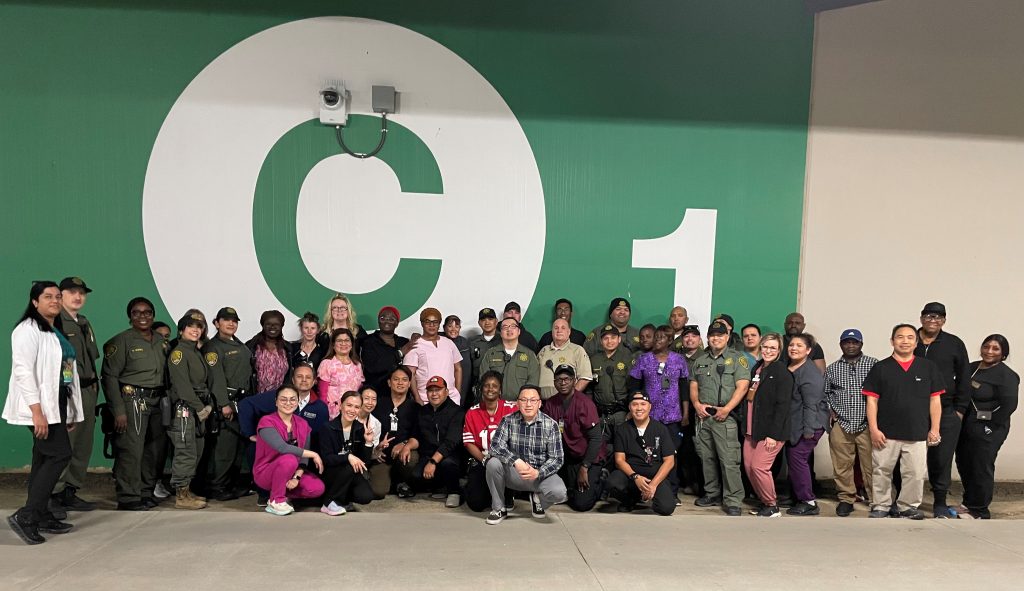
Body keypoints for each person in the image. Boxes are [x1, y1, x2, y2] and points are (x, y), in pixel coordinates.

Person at [4, 281, 84, 545]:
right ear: (35, 302)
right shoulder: (27, 329)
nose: (54, 300)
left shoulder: (54, 330)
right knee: (60, 454)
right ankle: (26, 516)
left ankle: (41, 512)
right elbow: (23, 371)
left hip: (57, 402)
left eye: (57, 296)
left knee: (42, 458)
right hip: (38, 405)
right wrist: (37, 412)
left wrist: (69, 411)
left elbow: (65, 372)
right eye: (47, 296)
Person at [864, 324, 944, 520]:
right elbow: (871, 401)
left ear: (916, 342)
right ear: (892, 341)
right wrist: (873, 429)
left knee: (915, 473)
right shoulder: (880, 368)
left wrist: (935, 429)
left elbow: (935, 400)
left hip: (917, 431)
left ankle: (907, 506)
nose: (905, 341)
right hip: (885, 432)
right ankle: (881, 505)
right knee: (881, 471)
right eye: (900, 337)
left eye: (910, 337)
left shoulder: (928, 367)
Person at [101, 296, 169, 511]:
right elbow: (109, 377)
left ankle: (145, 492)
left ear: (153, 315)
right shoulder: (120, 341)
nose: (143, 316)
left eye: (147, 312)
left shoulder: (161, 341)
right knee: (131, 450)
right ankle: (129, 496)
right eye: (137, 313)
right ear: (130, 317)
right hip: (133, 400)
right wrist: (118, 410)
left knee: (154, 450)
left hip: (158, 400)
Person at [689, 320, 751, 515]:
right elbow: (693, 385)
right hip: (703, 417)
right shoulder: (700, 359)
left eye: (720, 335)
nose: (716, 338)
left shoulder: (737, 358)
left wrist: (727, 409)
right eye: (713, 335)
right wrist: (697, 405)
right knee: (706, 458)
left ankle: (733, 500)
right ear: (708, 337)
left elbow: (742, 386)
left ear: (727, 337)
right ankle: (712, 493)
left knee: (728, 460)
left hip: (725, 416)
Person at [915, 302, 970, 518]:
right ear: (921, 318)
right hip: (914, 410)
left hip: (947, 410)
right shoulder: (910, 339)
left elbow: (964, 377)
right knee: (909, 456)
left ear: (944, 320)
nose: (933, 320)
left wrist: (959, 410)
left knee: (941, 458)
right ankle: (904, 499)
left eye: (938, 317)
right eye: (928, 315)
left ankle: (939, 502)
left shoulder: (954, 343)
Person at [49, 277, 99, 515]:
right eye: (72, 292)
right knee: (66, 444)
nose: (78, 297)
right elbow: (64, 362)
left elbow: (91, 359)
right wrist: (68, 392)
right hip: (71, 390)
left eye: (81, 293)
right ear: (61, 295)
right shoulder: (56, 322)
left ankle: (70, 491)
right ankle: (53, 494)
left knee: (83, 445)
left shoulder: (84, 323)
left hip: (88, 389)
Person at [484, 385, 566, 525]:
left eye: (533, 400)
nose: (528, 404)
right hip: (515, 473)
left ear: (539, 403)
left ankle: (538, 500)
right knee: (493, 463)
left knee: (559, 492)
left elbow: (557, 459)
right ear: (517, 403)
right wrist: (516, 461)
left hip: (539, 476)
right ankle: (499, 508)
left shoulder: (550, 425)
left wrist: (538, 473)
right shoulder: (508, 420)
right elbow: (495, 446)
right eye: (524, 400)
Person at [956, 335, 1019, 519]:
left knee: (981, 465)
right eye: (986, 347)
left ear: (1003, 354)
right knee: (965, 462)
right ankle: (968, 503)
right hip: (967, 424)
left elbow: (1009, 405)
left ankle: (980, 509)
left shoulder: (1006, 375)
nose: (989, 351)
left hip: (990, 426)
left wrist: (989, 426)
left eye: (995, 349)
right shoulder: (972, 368)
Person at [202, 306, 255, 501]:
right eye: (226, 320)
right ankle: (217, 486)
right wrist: (223, 404)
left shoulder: (239, 344)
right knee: (224, 448)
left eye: (234, 320)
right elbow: (216, 378)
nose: (231, 323)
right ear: (216, 323)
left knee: (237, 448)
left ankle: (231, 485)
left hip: (243, 403)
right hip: (228, 404)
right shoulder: (213, 347)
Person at [629, 325, 689, 497]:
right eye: (655, 337)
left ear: (670, 341)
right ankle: (648, 489)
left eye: (661, 338)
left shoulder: (679, 360)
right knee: (649, 453)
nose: (656, 341)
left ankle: (672, 492)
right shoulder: (644, 359)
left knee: (671, 455)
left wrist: (685, 414)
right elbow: (634, 387)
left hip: (672, 416)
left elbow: (684, 388)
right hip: (649, 416)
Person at [824, 329, 878, 517]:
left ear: (861, 344)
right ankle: (846, 499)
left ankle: (876, 500)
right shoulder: (832, 368)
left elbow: (882, 391)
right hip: (842, 424)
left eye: (854, 342)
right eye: (847, 342)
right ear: (841, 344)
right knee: (842, 465)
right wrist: (832, 411)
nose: (851, 345)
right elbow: (826, 393)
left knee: (871, 464)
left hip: (868, 424)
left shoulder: (874, 365)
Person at [541, 365, 606, 511]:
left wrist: (585, 467)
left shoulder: (585, 403)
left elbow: (596, 439)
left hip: (587, 458)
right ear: (554, 382)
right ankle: (571, 486)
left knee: (581, 504)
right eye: (559, 380)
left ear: (574, 380)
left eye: (567, 379)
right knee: (551, 493)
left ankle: (601, 481)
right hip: (566, 458)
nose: (563, 383)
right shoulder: (551, 403)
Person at [166, 311, 213, 510]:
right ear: (181, 330)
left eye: (199, 327)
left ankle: (187, 489)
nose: (195, 330)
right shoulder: (179, 353)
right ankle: (181, 495)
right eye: (190, 326)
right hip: (186, 410)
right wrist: (200, 408)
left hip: (198, 408)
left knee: (196, 450)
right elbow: (183, 387)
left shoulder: (194, 352)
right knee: (185, 451)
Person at [742, 333, 792, 517]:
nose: (768, 351)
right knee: (748, 467)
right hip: (752, 430)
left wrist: (773, 435)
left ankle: (772, 505)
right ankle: (764, 502)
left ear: (779, 351)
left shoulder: (782, 373)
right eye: (765, 347)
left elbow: (783, 408)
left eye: (773, 348)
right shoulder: (757, 368)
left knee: (759, 467)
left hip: (771, 432)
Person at [255, 385, 325, 516]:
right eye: (283, 399)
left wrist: (296, 478)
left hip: (291, 471)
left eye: (292, 399)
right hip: (265, 473)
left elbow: (303, 459)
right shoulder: (266, 421)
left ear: (298, 401)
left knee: (317, 488)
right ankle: (276, 500)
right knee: (289, 458)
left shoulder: (303, 424)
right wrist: (314, 454)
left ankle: (284, 495)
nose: (288, 403)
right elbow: (283, 448)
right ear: (276, 401)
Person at [606, 391, 677, 515]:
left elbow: (669, 461)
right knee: (612, 483)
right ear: (629, 407)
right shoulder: (623, 429)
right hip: (631, 474)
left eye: (643, 404)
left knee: (666, 508)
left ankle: (649, 496)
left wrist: (653, 485)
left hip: (654, 475)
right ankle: (630, 500)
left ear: (650, 406)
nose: (639, 408)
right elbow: (619, 460)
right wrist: (635, 477)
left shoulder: (661, 429)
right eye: (635, 404)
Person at [403, 376, 465, 507]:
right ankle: (440, 487)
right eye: (431, 391)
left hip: (449, 455)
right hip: (428, 455)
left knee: (448, 465)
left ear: (446, 392)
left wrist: (433, 462)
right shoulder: (422, 411)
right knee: (415, 475)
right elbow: (416, 436)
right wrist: (407, 446)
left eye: (438, 390)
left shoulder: (457, 411)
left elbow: (451, 443)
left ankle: (455, 492)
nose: (434, 394)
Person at [785, 333, 828, 516]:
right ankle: (797, 496)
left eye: (799, 346)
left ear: (809, 351)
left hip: (809, 425)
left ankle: (808, 501)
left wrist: (808, 431)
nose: (794, 348)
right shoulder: (790, 366)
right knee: (794, 461)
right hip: (795, 424)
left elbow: (811, 404)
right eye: (792, 345)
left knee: (798, 460)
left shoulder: (809, 372)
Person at [462, 371, 517, 512]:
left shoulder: (511, 409)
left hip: (507, 461)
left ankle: (508, 492)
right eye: (486, 386)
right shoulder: (472, 412)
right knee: (476, 504)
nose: (490, 389)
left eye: (494, 386)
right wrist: (485, 460)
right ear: (481, 389)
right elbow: (469, 443)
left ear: (500, 390)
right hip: (483, 459)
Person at [317, 391, 374, 515]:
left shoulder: (360, 428)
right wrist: (347, 457)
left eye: (357, 407)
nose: (352, 410)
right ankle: (328, 503)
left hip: (351, 474)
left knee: (366, 496)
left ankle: (340, 500)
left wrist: (368, 443)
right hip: (331, 473)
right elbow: (327, 459)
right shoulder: (327, 428)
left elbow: (364, 463)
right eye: (349, 405)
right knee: (349, 466)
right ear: (340, 406)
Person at [368, 366, 419, 499]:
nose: (400, 383)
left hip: (402, 454)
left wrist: (404, 444)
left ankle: (401, 481)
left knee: (412, 459)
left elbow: (418, 436)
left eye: (404, 380)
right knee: (378, 492)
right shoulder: (377, 404)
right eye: (396, 379)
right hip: (381, 456)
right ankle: (388, 480)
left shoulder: (415, 408)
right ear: (389, 383)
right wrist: (374, 450)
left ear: (409, 384)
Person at [404, 308, 463, 406]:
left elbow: (458, 368)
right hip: (426, 399)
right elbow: (410, 374)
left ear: (439, 324)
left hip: (451, 398)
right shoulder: (415, 345)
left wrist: (457, 392)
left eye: (435, 322)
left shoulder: (448, 343)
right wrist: (417, 398)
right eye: (428, 322)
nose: (432, 325)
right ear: (422, 323)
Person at [588, 324, 634, 442]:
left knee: (622, 445)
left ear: (619, 339)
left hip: (621, 412)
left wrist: (630, 411)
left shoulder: (627, 358)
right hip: (600, 414)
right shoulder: (594, 360)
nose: (610, 341)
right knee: (601, 447)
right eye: (606, 338)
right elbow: (589, 388)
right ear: (601, 341)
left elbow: (633, 386)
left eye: (613, 337)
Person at [537, 318, 592, 399]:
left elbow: (585, 378)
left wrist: (570, 397)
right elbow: (533, 374)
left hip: (565, 402)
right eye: (556, 328)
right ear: (552, 332)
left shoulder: (577, 350)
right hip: (541, 402)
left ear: (569, 332)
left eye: (563, 328)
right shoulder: (544, 350)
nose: (559, 330)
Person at [359, 306, 409, 395]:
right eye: (383, 318)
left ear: (397, 323)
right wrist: (399, 354)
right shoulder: (368, 341)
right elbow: (373, 367)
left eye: (391, 319)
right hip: (376, 395)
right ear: (378, 320)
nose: (387, 321)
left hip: (401, 395)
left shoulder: (404, 342)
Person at [317, 328, 365, 419]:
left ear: (351, 344)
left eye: (347, 340)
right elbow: (322, 395)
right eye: (339, 340)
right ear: (333, 344)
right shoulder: (327, 363)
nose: (343, 344)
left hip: (353, 413)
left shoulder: (357, 365)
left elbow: (360, 390)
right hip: (332, 414)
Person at [246, 310, 293, 394]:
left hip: (281, 399)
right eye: (268, 324)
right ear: (262, 325)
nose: (272, 327)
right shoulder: (251, 346)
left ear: (282, 326)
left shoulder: (288, 348)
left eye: (276, 324)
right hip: (256, 398)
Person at [467, 307, 501, 390]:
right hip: (479, 386)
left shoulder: (503, 340)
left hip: (500, 386)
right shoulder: (472, 342)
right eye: (483, 319)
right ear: (479, 323)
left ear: (496, 321)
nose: (487, 322)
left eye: (490, 319)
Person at [444, 315, 473, 405]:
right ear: (444, 328)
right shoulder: (439, 340)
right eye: (450, 326)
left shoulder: (464, 343)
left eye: (457, 326)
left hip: (463, 384)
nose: (453, 329)